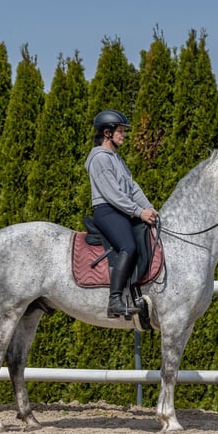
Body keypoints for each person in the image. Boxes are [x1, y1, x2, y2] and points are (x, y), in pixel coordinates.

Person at [85, 109, 159, 318]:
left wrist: (150, 209)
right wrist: (138, 212)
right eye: (121, 131)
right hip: (107, 211)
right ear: (107, 133)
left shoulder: (116, 159)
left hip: (120, 210)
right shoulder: (100, 158)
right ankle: (114, 300)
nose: (124, 134)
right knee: (128, 246)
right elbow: (113, 195)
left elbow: (132, 187)